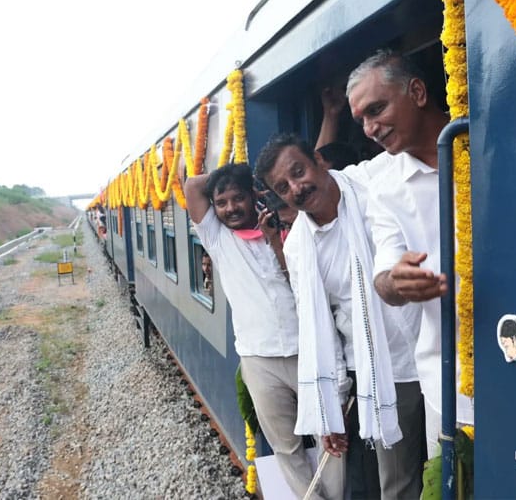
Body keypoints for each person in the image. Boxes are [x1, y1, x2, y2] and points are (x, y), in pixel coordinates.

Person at [255, 133, 424, 500]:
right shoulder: (299, 247)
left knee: (458, 465)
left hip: (436, 345)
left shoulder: (372, 183)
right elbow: (320, 331)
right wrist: (330, 408)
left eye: (298, 172)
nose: (296, 188)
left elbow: (413, 147)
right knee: (398, 485)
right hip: (384, 372)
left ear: (319, 160)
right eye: (283, 187)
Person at [346, 48, 474, 458]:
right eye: (361, 119)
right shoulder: (384, 188)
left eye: (376, 109)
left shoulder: (485, 142)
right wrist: (395, 281)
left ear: (417, 91)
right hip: (448, 384)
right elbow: (385, 275)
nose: (369, 128)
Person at [183, 163, 313, 499]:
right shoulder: (217, 238)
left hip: (308, 351)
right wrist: (238, 174)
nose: (229, 208)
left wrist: (274, 238)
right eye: (221, 202)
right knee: (287, 445)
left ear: (252, 196)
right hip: (259, 359)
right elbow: (192, 186)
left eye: (237, 198)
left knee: (332, 435)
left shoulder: (282, 227)